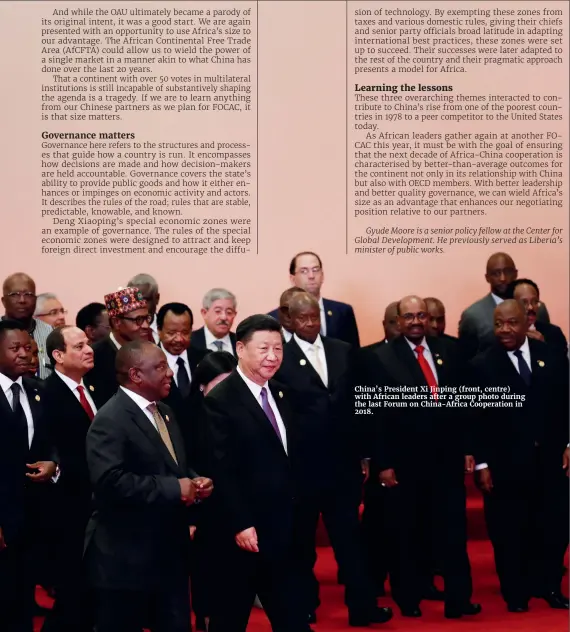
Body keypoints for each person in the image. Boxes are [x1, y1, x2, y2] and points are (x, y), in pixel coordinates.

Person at [275, 293, 392, 627]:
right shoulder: (281, 357)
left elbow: (362, 404)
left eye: (315, 317)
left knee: (350, 542)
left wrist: (366, 453)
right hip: (302, 468)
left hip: (343, 466)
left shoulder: (343, 350)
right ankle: (304, 605)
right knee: (301, 545)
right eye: (303, 318)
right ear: (290, 320)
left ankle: (362, 607)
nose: (311, 323)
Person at [360, 296, 479, 619]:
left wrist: (468, 448)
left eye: (420, 315)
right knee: (407, 533)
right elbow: (376, 417)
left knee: (453, 532)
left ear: (428, 318)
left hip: (447, 460)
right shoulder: (379, 357)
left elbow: (463, 405)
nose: (415, 321)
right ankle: (408, 597)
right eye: (408, 316)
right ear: (398, 321)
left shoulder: (449, 351)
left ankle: (459, 600)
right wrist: (382, 462)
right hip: (404, 463)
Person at [85, 340, 213, 632]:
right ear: (135, 375)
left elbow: (172, 465)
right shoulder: (111, 419)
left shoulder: (164, 411)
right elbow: (109, 482)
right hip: (126, 558)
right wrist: (174, 489)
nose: (169, 372)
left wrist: (193, 481)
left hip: (169, 552)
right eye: (160, 366)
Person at [203, 314, 313, 632]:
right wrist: (241, 523)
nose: (272, 356)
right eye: (263, 348)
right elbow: (221, 469)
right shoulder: (221, 400)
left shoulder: (282, 393)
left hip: (284, 527)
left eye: (278, 349)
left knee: (291, 614)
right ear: (240, 348)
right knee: (230, 617)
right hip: (245, 534)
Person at [470, 300, 569, 613]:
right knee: (509, 530)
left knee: (553, 526)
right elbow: (477, 420)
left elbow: (565, 403)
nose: (504, 330)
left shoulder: (551, 357)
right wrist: (482, 463)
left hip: (550, 460)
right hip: (505, 464)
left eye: (511, 323)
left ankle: (550, 585)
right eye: (498, 324)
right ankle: (516, 593)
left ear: (528, 322)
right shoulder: (482, 365)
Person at [41, 326, 105, 632]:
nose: (88, 349)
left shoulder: (91, 387)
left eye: (88, 343)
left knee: (88, 584)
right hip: (67, 503)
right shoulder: (47, 393)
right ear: (58, 355)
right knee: (72, 584)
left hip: (95, 502)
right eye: (78, 346)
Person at [0, 320, 58, 632]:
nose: (25, 355)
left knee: (23, 596)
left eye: (30, 349)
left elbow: (52, 443)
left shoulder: (38, 391)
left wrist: (54, 466)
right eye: (16, 349)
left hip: (32, 513)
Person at [185, 351, 237, 631]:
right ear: (203, 384)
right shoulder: (188, 412)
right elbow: (183, 459)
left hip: (234, 499)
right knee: (205, 566)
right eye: (220, 383)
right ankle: (204, 617)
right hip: (202, 501)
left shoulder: (240, 408)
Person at [458, 253, 550, 359]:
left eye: (508, 271)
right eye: (496, 273)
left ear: (515, 274)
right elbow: (466, 360)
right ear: (487, 278)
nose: (503, 278)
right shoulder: (473, 316)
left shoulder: (538, 309)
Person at [269, 252, 360, 347]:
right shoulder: (274, 319)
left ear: (322, 275)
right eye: (304, 271)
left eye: (315, 270)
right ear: (292, 279)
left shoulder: (343, 312)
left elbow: (355, 353)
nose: (311, 276)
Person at [85, 287, 151, 405]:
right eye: (138, 320)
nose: (146, 325)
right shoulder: (95, 357)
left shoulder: (151, 350)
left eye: (147, 318)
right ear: (116, 322)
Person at [157, 302, 209, 442]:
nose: (179, 339)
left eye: (185, 332)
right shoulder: (148, 364)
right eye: (171, 333)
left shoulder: (206, 359)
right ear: (159, 330)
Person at [1, 273, 53, 378]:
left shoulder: (49, 332)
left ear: (35, 299)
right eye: (14, 294)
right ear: (3, 301)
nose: (22, 300)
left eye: (28, 294)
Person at [506, 279, 568, 359]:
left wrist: (543, 347)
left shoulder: (554, 334)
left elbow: (562, 367)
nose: (530, 307)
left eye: (534, 301)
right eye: (524, 302)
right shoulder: (503, 336)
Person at [190, 288, 238, 355]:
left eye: (229, 312)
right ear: (204, 313)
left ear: (234, 315)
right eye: (218, 311)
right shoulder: (190, 342)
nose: (223, 317)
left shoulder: (242, 343)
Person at [126, 273, 161, 344]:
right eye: (134, 300)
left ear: (157, 298)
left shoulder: (168, 328)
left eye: (144, 300)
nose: (138, 306)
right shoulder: (124, 330)